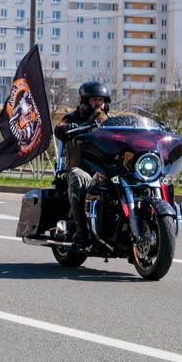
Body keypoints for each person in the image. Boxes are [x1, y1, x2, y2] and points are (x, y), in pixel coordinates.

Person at [54, 80, 113, 246]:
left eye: (101, 100)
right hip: (81, 171)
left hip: (102, 172)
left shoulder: (109, 121)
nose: (98, 104)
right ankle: (81, 229)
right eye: (94, 100)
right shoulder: (71, 118)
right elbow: (59, 129)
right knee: (78, 177)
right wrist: (68, 128)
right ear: (85, 101)